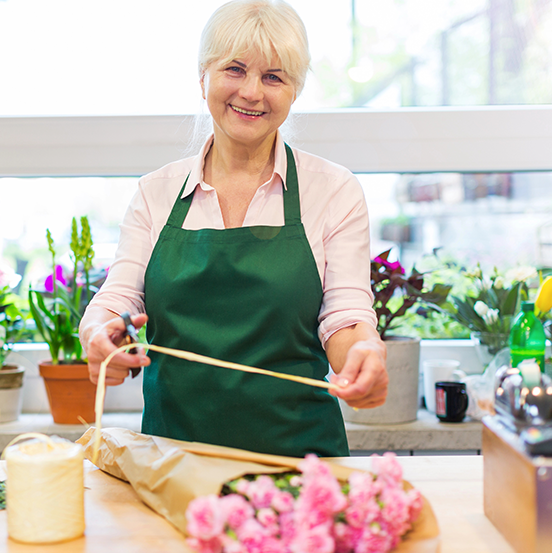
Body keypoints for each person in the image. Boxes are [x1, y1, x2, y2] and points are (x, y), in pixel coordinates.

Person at [79, 0, 387, 458]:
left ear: (295, 90)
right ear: (203, 75)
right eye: (235, 69)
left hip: (301, 464)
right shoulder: (155, 193)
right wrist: (99, 332)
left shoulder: (333, 190)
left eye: (274, 76)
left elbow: (345, 314)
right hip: (174, 464)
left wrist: (364, 354)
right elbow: (119, 298)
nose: (252, 92)